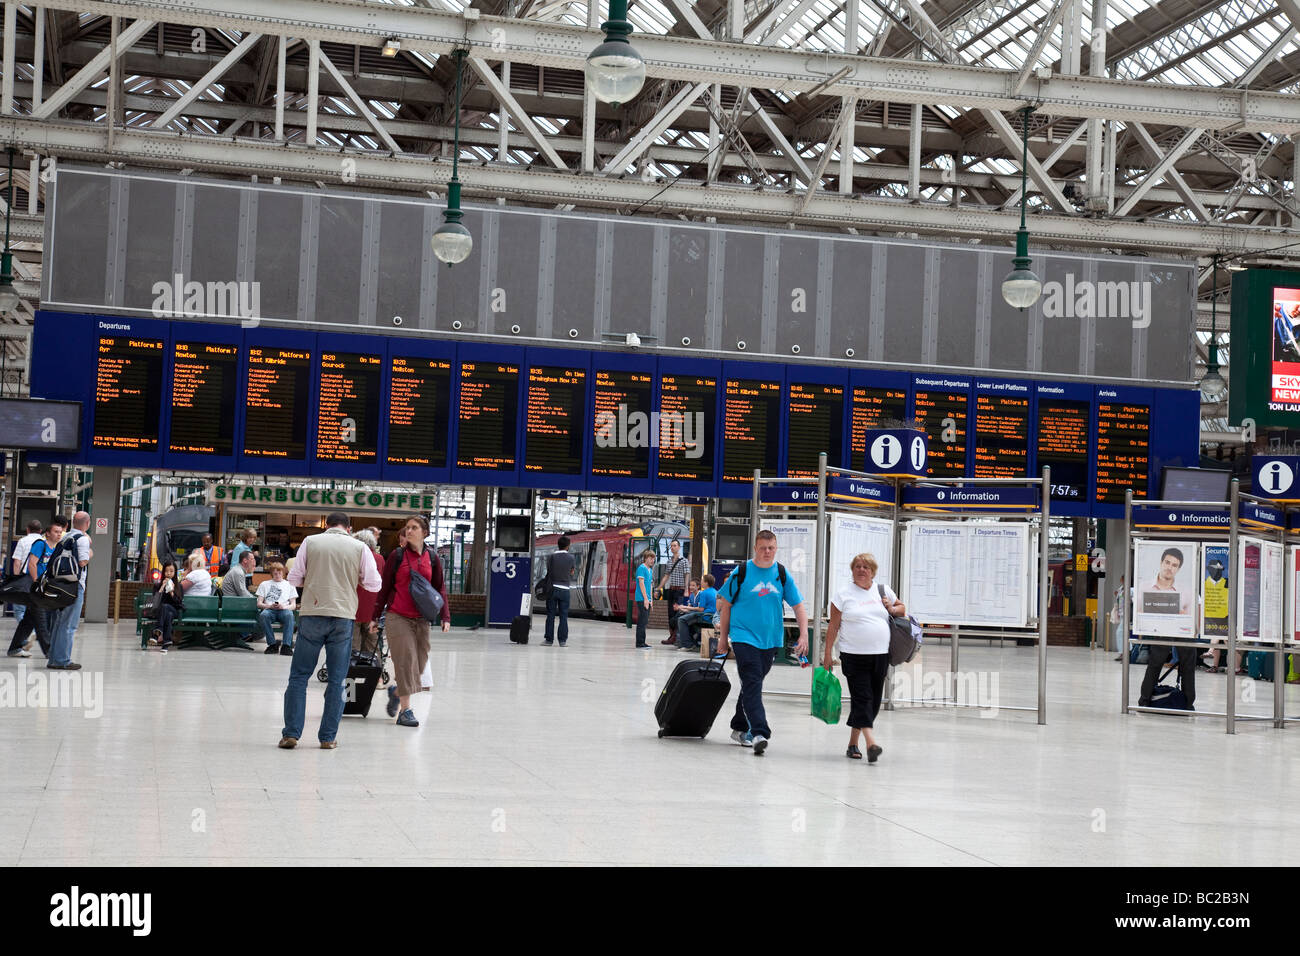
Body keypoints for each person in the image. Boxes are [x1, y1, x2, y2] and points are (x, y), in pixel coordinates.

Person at [281, 512, 381, 749]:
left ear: (326, 525)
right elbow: (374, 583)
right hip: (343, 616)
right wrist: (352, 577)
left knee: (299, 676)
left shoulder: (311, 542)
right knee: (337, 681)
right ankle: (327, 738)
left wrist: (314, 579)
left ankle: (291, 734)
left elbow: (294, 579)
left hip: (312, 614)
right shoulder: (359, 548)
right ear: (349, 527)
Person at [716, 529, 809, 756]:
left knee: (752, 684)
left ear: (776, 549)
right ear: (755, 549)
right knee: (752, 681)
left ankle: (739, 727)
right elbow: (725, 605)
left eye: (771, 548)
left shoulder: (781, 573)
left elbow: (798, 606)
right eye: (763, 548)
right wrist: (722, 639)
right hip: (743, 637)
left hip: (771, 640)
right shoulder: (743, 571)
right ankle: (759, 732)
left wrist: (804, 634)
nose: (767, 552)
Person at [823, 553, 906, 762]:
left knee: (874, 702)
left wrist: (891, 608)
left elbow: (902, 609)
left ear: (873, 571)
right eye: (857, 566)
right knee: (862, 698)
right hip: (853, 655)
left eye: (866, 567)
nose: (861, 570)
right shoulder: (843, 594)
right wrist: (827, 654)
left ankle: (852, 744)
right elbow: (833, 626)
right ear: (852, 570)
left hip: (880, 655)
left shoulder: (882, 590)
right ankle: (871, 743)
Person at [372, 515, 449, 727]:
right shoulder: (396, 556)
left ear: (425, 533)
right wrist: (374, 616)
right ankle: (405, 711)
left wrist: (445, 615)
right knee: (405, 662)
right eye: (407, 528)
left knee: (419, 666)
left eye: (414, 527)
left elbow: (439, 588)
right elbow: (384, 588)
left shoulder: (432, 558)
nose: (409, 531)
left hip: (422, 619)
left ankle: (396, 693)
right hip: (397, 616)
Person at [1137, 550, 1196, 707]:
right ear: (1161, 562)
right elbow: (1139, 611)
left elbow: (1192, 616)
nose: (1170, 567)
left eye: (1175, 565)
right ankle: (1145, 699)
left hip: (1182, 631)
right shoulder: (1145, 587)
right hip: (1159, 630)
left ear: (1178, 569)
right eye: (1168, 562)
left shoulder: (1186, 591)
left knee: (1188, 665)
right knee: (1155, 663)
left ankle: (1188, 702)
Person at [6, 517, 63, 658]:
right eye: (56, 531)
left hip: (44, 588)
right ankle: (50, 652)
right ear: (47, 533)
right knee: (41, 620)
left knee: (29, 620)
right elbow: (32, 564)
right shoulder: (40, 545)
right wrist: (37, 582)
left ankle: (14, 648)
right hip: (35, 588)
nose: (58, 534)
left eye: (60, 532)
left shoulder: (55, 548)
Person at [48, 511, 91, 671]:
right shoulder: (83, 540)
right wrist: (90, 553)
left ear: (73, 522)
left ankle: (53, 658)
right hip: (75, 585)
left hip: (60, 584)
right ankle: (63, 660)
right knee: (69, 625)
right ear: (87, 523)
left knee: (59, 622)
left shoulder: (65, 537)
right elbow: (83, 562)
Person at [351, 529, 382, 657]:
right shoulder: (379, 559)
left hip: (353, 608)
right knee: (372, 646)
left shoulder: (354, 557)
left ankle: (351, 674)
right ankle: (376, 674)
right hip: (372, 609)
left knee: (353, 646)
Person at [256, 562, 298, 654]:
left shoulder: (290, 585)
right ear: (271, 574)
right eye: (275, 573)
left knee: (289, 616)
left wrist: (284, 607)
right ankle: (272, 644)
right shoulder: (264, 584)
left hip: (284, 609)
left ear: (283, 573)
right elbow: (259, 603)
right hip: (270, 609)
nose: (278, 575)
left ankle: (286, 646)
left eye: (280, 573)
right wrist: (269, 606)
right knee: (263, 615)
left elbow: (293, 605)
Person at [543, 535, 576, 646]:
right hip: (565, 590)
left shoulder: (551, 557)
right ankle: (562, 641)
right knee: (563, 616)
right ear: (568, 546)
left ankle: (549, 640)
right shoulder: (571, 558)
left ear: (558, 545)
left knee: (550, 615)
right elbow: (572, 572)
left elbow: (549, 570)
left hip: (552, 588)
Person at [7, 519, 42, 625]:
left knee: (20, 608)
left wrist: (16, 579)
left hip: (24, 578)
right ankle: (35, 631)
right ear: (40, 531)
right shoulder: (44, 542)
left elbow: (17, 562)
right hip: (39, 578)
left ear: (27, 530)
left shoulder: (22, 541)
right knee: (37, 608)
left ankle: (25, 633)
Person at [148, 560, 185, 651]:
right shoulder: (158, 585)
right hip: (161, 612)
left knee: (166, 607)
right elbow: (155, 601)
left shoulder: (178, 586)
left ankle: (156, 633)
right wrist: (162, 587)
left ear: (175, 572)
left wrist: (172, 591)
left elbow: (178, 603)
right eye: (166, 571)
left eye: (171, 571)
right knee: (168, 614)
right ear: (163, 572)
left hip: (174, 610)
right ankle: (166, 642)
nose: (168, 573)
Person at [658, 539, 689, 645]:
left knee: (677, 614)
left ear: (679, 547)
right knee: (670, 613)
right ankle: (672, 636)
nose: (672, 548)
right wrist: (659, 588)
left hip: (680, 590)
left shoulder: (684, 560)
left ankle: (676, 637)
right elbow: (666, 576)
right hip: (671, 589)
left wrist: (686, 589)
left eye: (675, 545)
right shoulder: (669, 561)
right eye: (671, 546)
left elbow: (686, 575)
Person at [675, 577, 717, 651]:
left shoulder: (704, 593)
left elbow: (700, 609)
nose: (701, 583)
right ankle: (691, 642)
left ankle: (687, 645)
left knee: (681, 619)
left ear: (706, 583)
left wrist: (684, 607)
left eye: (702, 581)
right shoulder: (715, 591)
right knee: (686, 618)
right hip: (713, 616)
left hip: (705, 616)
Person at [634, 549, 655, 649]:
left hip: (647, 599)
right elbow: (641, 584)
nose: (652, 561)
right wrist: (646, 599)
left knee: (645, 621)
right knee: (642, 621)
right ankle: (640, 643)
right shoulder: (641, 568)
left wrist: (651, 599)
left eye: (653, 559)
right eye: (651, 558)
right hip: (641, 598)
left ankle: (643, 641)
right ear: (646, 558)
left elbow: (650, 585)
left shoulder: (650, 570)